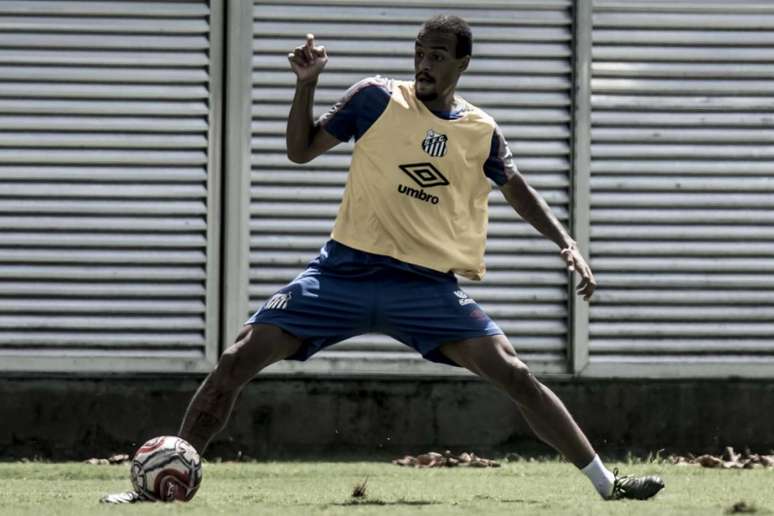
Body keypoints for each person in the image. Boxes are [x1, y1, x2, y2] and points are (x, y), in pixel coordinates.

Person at [103, 15, 664, 503]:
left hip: (425, 290)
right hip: (340, 276)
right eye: (419, 53)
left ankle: (606, 483)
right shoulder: (374, 98)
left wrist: (565, 242)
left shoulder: (481, 131)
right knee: (235, 361)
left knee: (515, 374)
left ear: (462, 64)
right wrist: (307, 84)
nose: (424, 65)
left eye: (438, 57)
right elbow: (300, 152)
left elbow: (516, 190)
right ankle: (159, 484)